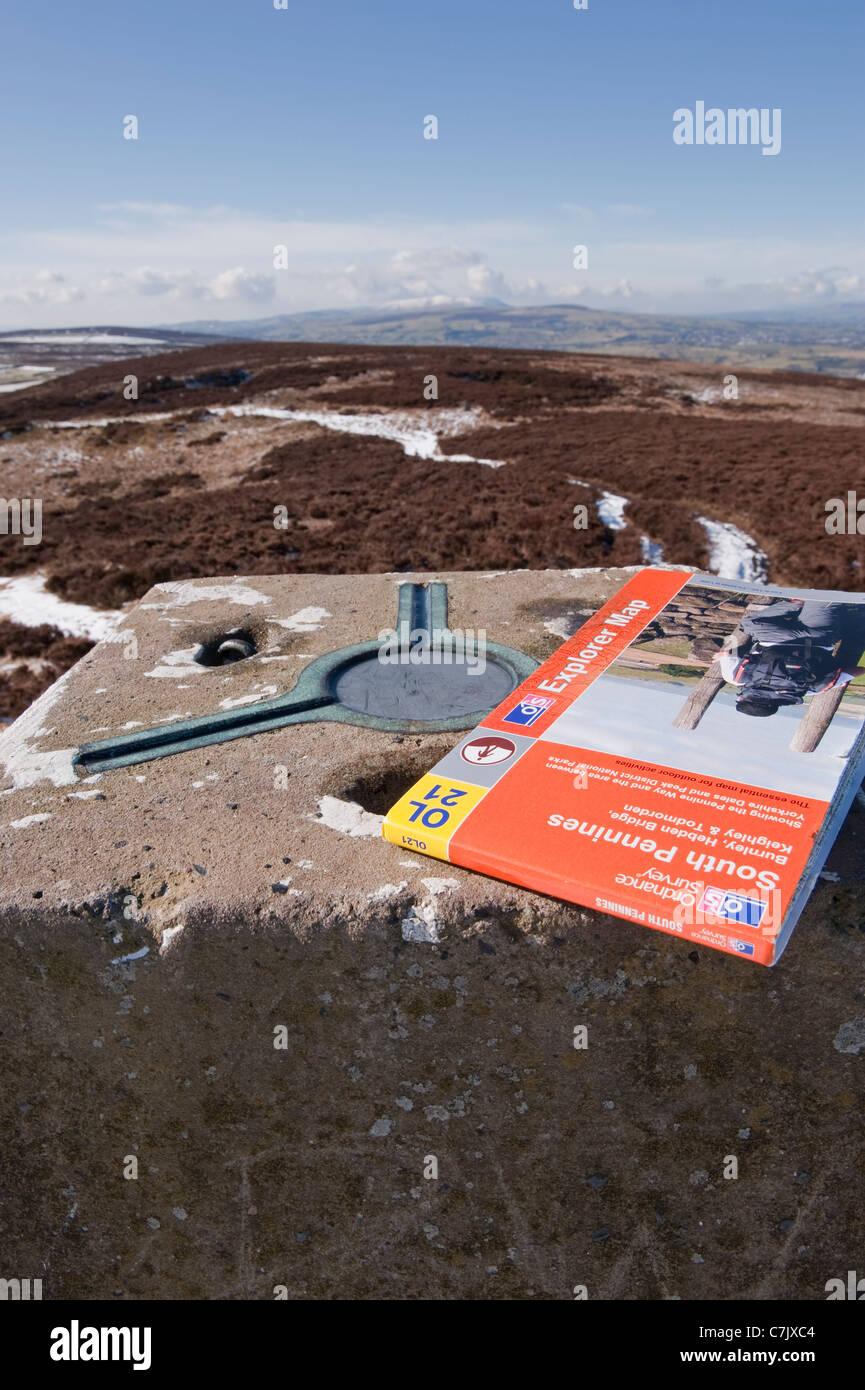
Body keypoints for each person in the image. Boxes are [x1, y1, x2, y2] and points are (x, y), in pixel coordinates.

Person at [712, 599, 865, 718]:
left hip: (817, 638)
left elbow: (857, 670)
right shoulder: (735, 678)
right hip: (773, 636)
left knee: (828, 597)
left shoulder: (808, 690)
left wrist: (836, 679)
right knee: (749, 623)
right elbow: (729, 653)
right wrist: (723, 655)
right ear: (743, 698)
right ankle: (795, 603)